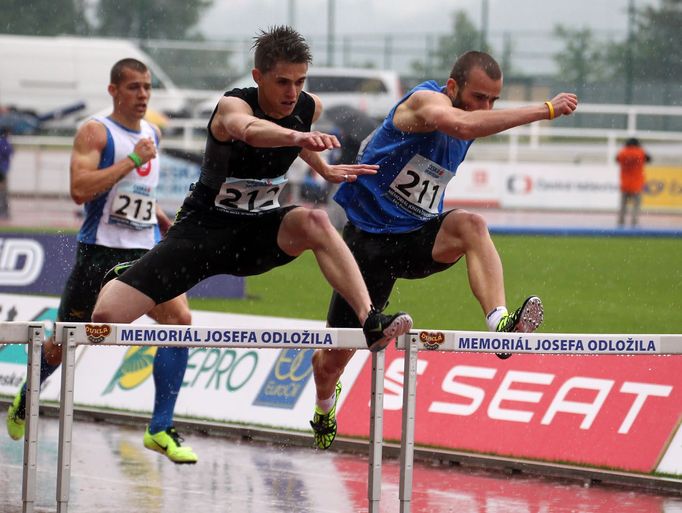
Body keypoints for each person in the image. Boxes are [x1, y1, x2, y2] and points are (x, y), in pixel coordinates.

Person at [91, 28, 412, 386]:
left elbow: (300, 128)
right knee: (106, 317)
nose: (292, 93)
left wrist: (322, 167)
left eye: (300, 81)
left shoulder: (308, 106)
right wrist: (296, 136)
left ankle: (370, 319)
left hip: (258, 232)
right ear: (258, 77)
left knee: (315, 222)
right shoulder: (234, 105)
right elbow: (248, 129)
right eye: (282, 82)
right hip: (203, 232)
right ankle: (127, 271)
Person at [309, 51, 579, 450]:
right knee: (332, 360)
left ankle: (500, 325)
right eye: (479, 97)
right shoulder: (423, 103)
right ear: (452, 88)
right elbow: (461, 123)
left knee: (471, 225)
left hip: (417, 239)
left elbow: (470, 123)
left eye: (493, 101)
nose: (485, 108)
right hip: (366, 245)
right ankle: (323, 406)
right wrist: (544, 110)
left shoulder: (470, 118)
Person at [5, 58, 198, 464]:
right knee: (62, 346)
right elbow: (79, 190)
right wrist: (130, 159)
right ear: (113, 91)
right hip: (100, 255)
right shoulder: (96, 132)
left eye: (147, 87)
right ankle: (28, 393)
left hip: (144, 253)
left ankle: (160, 426)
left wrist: (162, 220)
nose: (143, 95)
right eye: (133, 88)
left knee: (179, 320)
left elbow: (140, 193)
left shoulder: (153, 132)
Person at [616, 137, 650, 228]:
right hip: (637, 184)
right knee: (636, 206)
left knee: (623, 206)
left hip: (625, 184)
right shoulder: (640, 152)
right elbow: (649, 159)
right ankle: (634, 223)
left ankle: (620, 223)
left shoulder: (622, 152)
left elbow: (616, 159)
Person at [0, 125, 13, 218]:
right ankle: (4, 210)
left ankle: (4, 210)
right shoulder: (4, 143)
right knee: (3, 191)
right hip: (2, 170)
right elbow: (9, 152)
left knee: (3, 191)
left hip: (2, 169)